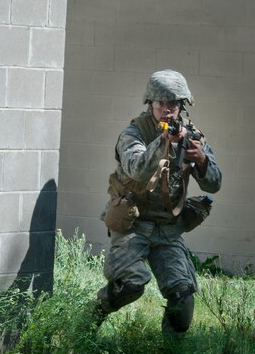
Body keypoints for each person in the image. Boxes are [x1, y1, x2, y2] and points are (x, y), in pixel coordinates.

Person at [94, 69, 222, 335]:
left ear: (181, 105)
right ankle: (92, 315)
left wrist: (201, 161)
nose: (166, 110)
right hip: (132, 223)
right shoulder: (134, 133)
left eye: (173, 103)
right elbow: (138, 170)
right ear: (150, 103)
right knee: (130, 285)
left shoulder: (191, 135)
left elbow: (214, 184)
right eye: (160, 103)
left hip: (167, 229)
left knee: (183, 296)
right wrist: (162, 142)